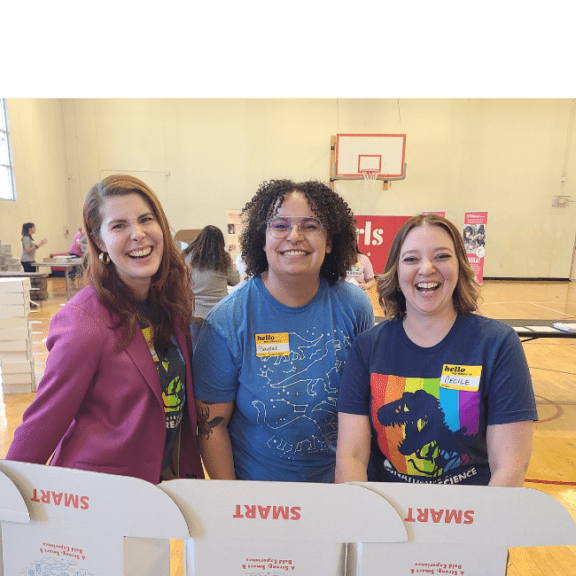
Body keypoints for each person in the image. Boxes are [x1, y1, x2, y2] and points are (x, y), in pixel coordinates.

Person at [7, 175, 204, 484]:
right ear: (99, 241)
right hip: (100, 495)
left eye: (145, 219)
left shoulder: (171, 302)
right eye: (119, 226)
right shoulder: (84, 322)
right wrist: (8, 506)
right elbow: (43, 422)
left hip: (158, 487)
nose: (138, 234)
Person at [193, 179, 375, 483]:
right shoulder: (228, 320)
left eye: (310, 225)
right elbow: (212, 427)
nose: (294, 236)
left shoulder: (355, 307)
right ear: (261, 240)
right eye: (280, 225)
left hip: (339, 489)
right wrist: (234, 503)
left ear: (330, 241)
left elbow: (363, 413)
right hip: (259, 500)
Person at [335, 213, 537, 487]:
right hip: (386, 515)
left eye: (441, 256)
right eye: (411, 259)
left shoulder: (498, 344)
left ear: (460, 266)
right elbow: (352, 457)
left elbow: (510, 467)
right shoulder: (368, 347)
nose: (426, 268)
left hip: (470, 517)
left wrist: (476, 527)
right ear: (396, 271)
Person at [183, 225, 240, 318]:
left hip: (195, 313)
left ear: (199, 238)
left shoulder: (187, 255)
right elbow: (235, 280)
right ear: (221, 243)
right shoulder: (224, 258)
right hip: (220, 313)